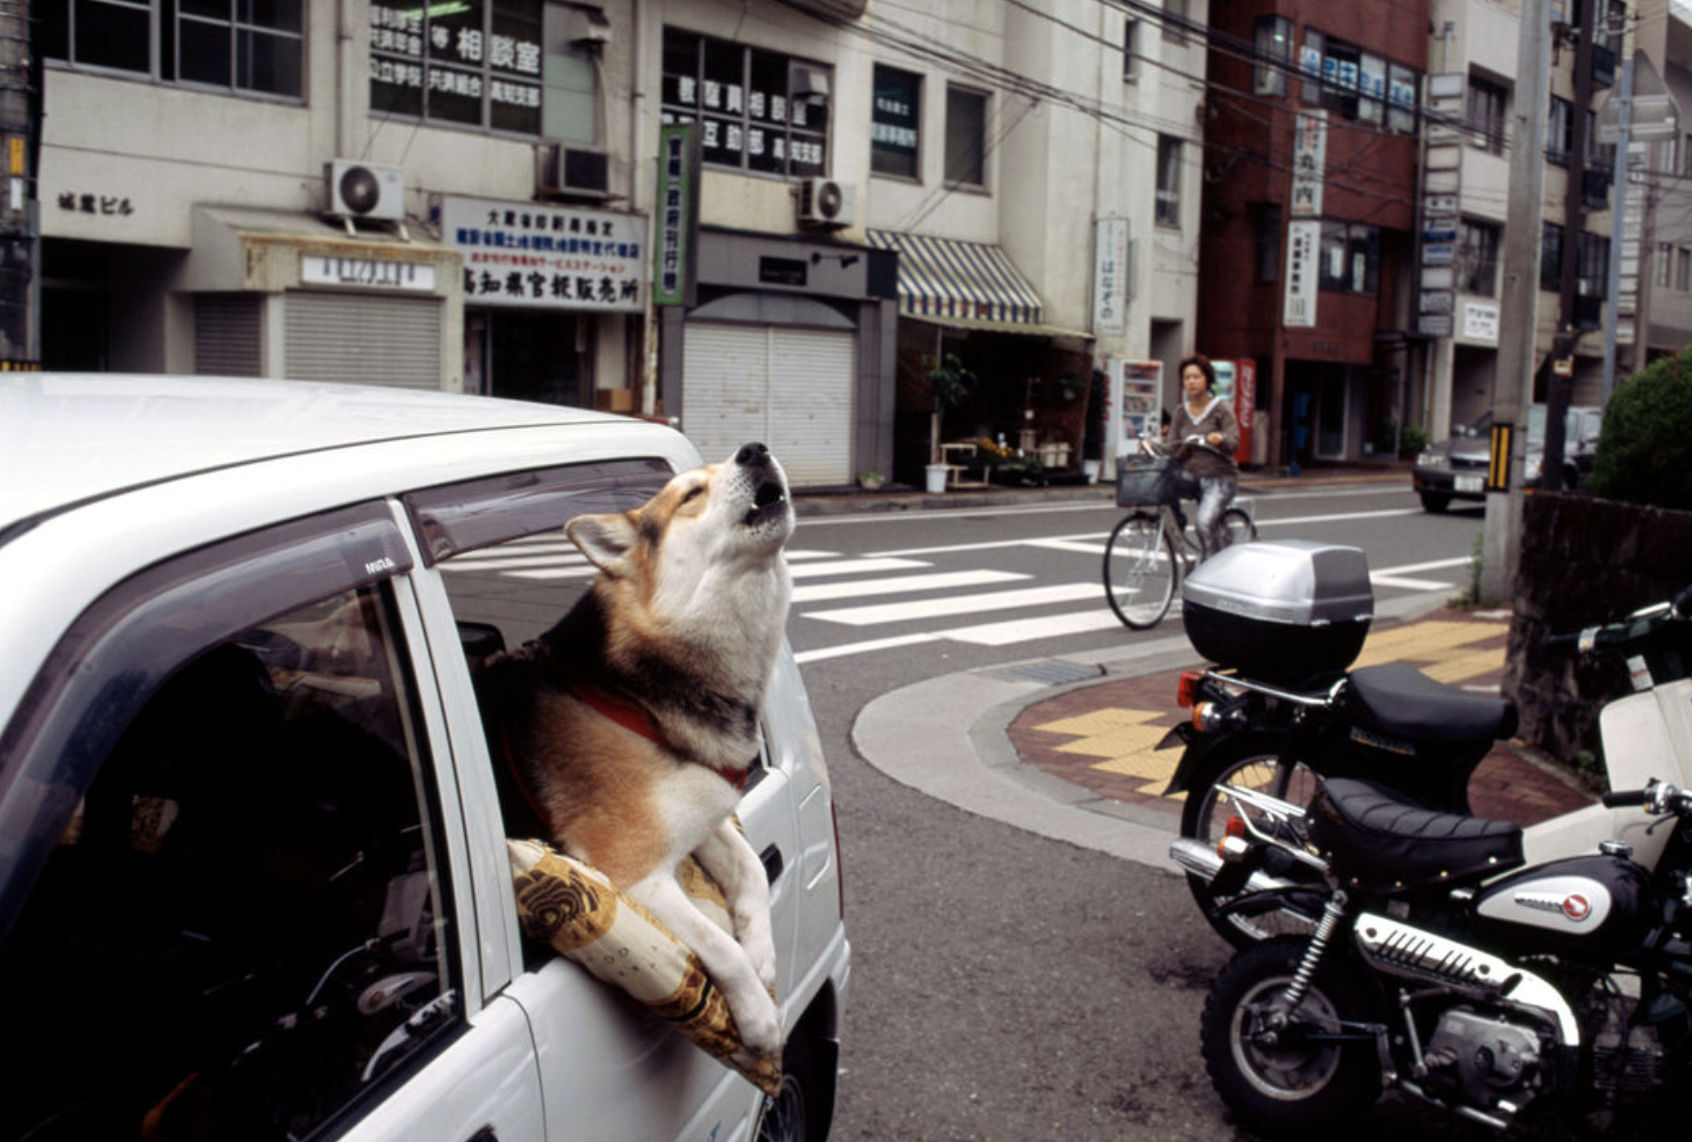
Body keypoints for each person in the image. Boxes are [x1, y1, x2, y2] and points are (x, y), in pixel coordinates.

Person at [1167, 353, 1240, 558]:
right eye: (1187, 377)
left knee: (1204, 524)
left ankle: (1212, 566)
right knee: (1162, 483)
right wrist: (1149, 446)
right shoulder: (1181, 412)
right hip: (1192, 475)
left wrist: (1220, 438)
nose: (1191, 381)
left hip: (1220, 476)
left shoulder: (1221, 409)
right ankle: (1178, 521)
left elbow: (1233, 442)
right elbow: (1172, 448)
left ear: (1207, 379)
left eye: (1196, 376)